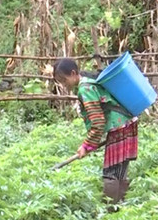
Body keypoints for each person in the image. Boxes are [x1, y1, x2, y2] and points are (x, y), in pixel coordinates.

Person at [53, 58, 138, 205]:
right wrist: (90, 144)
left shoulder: (85, 88)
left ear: (73, 73)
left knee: (111, 173)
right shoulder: (89, 81)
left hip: (119, 127)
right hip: (127, 124)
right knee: (120, 173)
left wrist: (86, 145)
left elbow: (98, 122)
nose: (63, 84)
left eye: (63, 79)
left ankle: (110, 212)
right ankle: (120, 209)